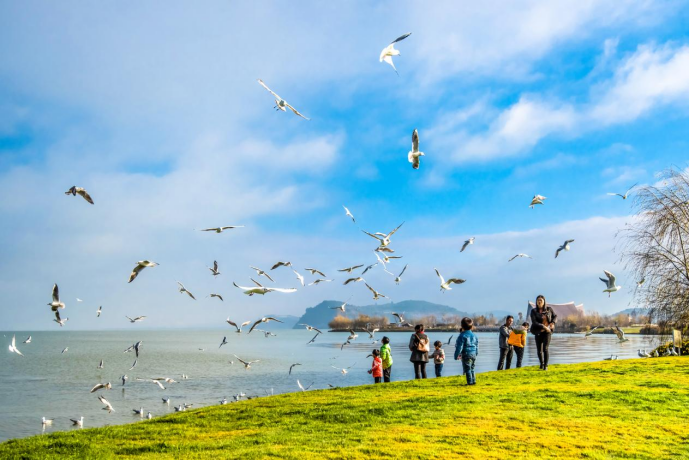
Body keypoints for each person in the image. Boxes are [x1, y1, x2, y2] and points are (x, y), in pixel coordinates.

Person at [530, 295, 557, 370]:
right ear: (536, 302)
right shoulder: (533, 311)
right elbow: (534, 322)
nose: (539, 302)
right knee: (539, 350)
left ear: (544, 301)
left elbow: (555, 316)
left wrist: (553, 323)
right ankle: (541, 364)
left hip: (547, 332)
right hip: (538, 332)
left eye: (541, 300)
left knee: (545, 348)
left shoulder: (549, 309)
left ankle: (545, 365)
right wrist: (543, 327)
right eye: (538, 300)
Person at [454, 317, 479, 385]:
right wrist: (476, 353)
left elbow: (459, 347)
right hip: (473, 353)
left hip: (466, 354)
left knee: (467, 369)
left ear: (462, 326)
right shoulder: (474, 335)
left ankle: (469, 382)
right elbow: (476, 345)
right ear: (471, 326)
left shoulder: (462, 336)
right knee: (472, 368)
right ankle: (474, 381)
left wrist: (456, 355)